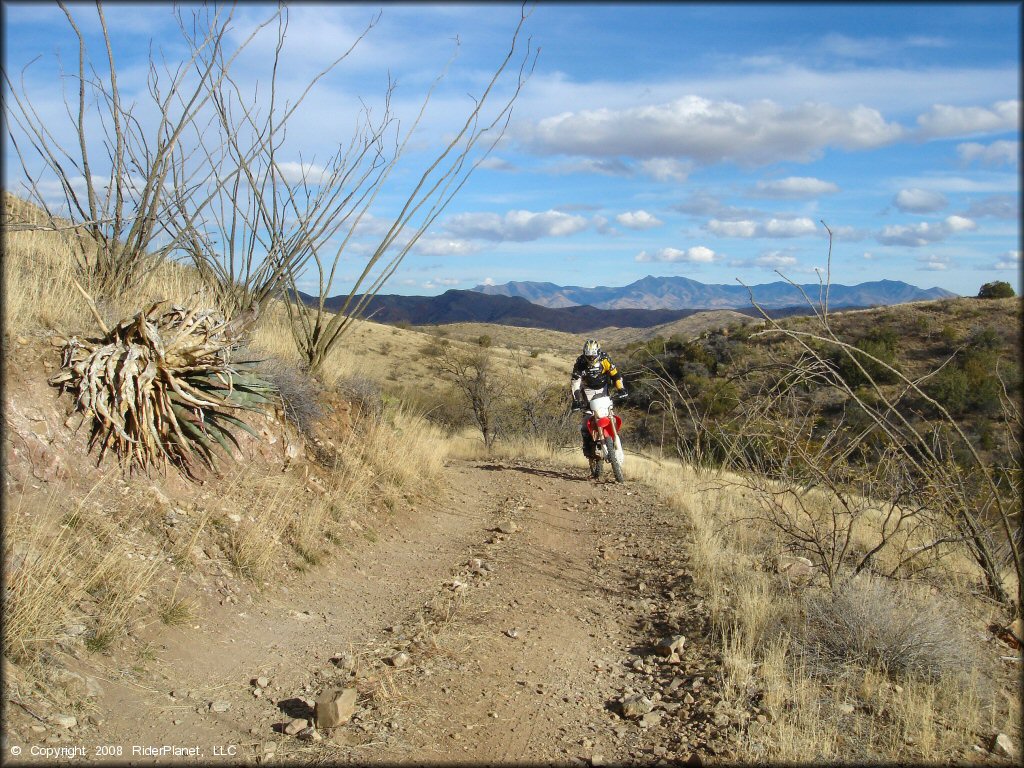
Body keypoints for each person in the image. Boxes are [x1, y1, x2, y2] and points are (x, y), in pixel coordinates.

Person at [570, 339, 627, 459]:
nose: (591, 358)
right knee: (587, 417)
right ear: (585, 354)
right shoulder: (580, 363)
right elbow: (575, 383)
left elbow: (615, 375)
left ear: (598, 353)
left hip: (603, 389)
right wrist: (576, 400)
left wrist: (621, 389)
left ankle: (612, 439)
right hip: (587, 390)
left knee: (608, 413)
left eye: (593, 355)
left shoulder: (605, 359)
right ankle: (586, 443)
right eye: (588, 356)